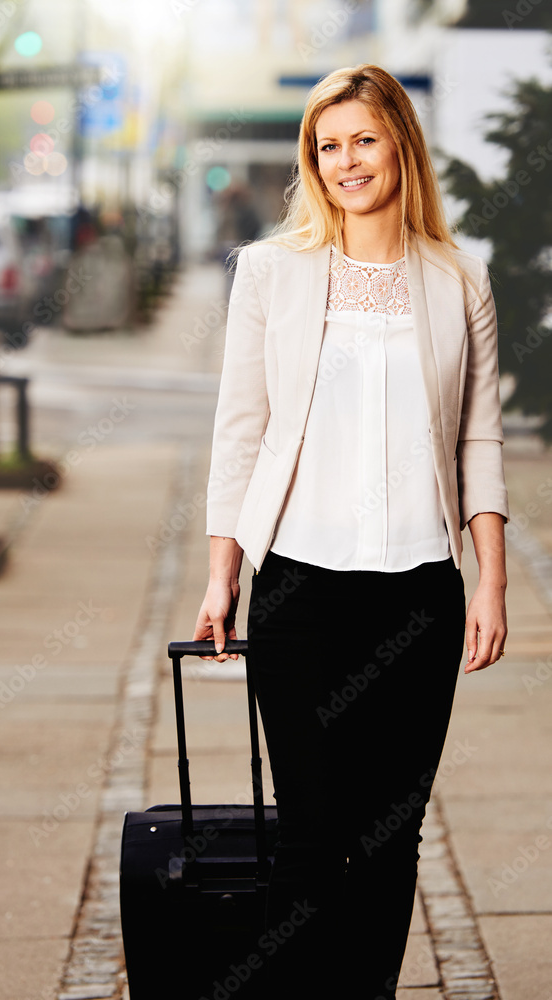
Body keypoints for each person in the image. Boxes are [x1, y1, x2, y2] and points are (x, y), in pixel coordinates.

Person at [193, 64, 509, 999]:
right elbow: (239, 429)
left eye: (363, 140)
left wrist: (490, 579)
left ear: (399, 144)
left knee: (390, 835)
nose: (345, 162)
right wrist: (224, 575)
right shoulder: (269, 272)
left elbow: (477, 436)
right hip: (300, 587)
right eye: (327, 146)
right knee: (310, 834)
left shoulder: (459, 279)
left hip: (419, 591)